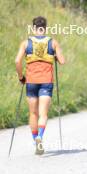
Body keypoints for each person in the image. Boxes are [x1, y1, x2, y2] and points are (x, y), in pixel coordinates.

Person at [15, 16, 65, 155]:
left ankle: (34, 140)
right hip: (46, 82)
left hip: (31, 81)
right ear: (46, 27)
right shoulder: (53, 42)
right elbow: (62, 61)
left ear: (33, 28)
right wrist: (54, 56)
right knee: (43, 114)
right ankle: (40, 137)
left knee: (33, 113)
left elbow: (17, 61)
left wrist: (21, 77)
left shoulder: (26, 43)